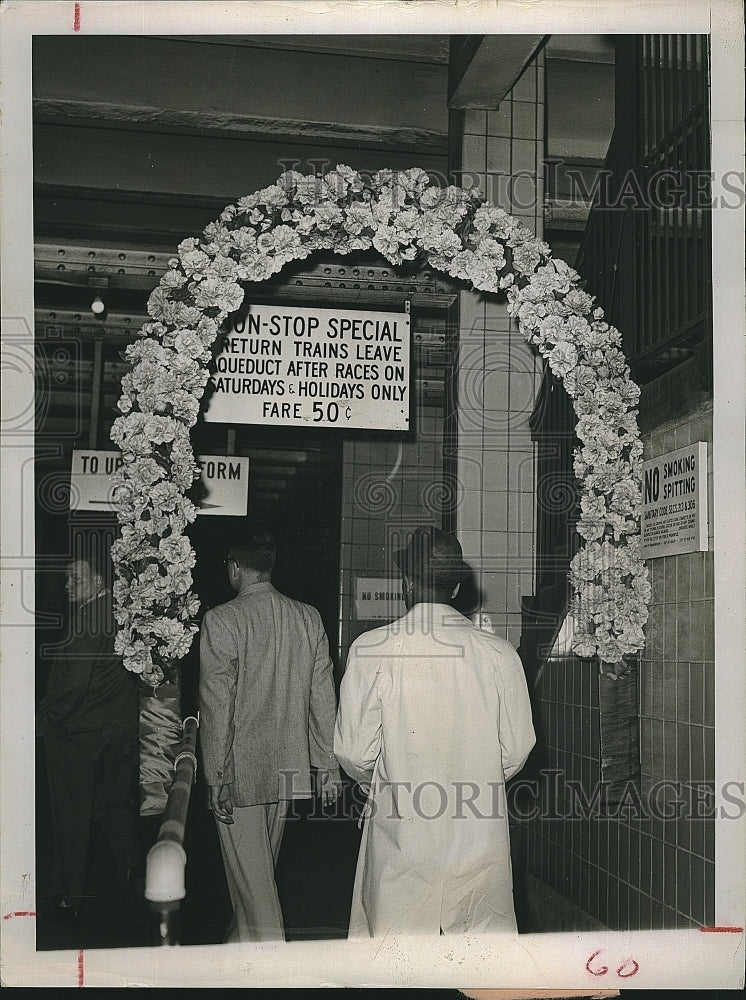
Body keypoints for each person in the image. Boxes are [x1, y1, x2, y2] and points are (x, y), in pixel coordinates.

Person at [334, 525, 536, 937]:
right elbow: (517, 749)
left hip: (402, 834)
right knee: (478, 965)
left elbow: (354, 753)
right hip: (478, 832)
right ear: (458, 587)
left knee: (398, 964)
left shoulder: (372, 649)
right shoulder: (500, 653)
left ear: (406, 582)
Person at [199, 526, 342, 943]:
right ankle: (237, 953)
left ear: (237, 569)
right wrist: (327, 765)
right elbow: (322, 697)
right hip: (288, 771)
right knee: (255, 880)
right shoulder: (307, 617)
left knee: (255, 890)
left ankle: (273, 969)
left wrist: (216, 775)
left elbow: (216, 704)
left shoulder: (221, 620)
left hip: (240, 773)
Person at [36, 551, 141, 922]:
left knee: (71, 814)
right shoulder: (123, 610)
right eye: (66, 579)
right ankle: (133, 870)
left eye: (76, 578)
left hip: (77, 734)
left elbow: (73, 685)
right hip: (119, 729)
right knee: (114, 803)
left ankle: (70, 897)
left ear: (99, 581)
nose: (67, 586)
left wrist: (51, 719)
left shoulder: (86, 619)